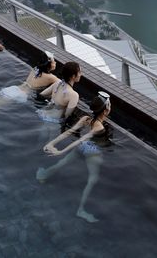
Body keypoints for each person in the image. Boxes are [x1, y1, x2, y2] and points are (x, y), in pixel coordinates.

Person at [37, 92, 112, 223]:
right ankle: (81, 210)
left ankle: (43, 175)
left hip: (82, 147)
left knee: (63, 162)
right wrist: (60, 150)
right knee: (92, 179)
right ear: (106, 110)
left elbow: (70, 132)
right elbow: (81, 139)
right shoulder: (100, 127)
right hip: (92, 151)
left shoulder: (86, 119)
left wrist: (52, 143)